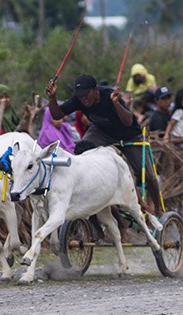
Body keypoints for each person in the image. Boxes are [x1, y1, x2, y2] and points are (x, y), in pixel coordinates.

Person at [45, 74, 160, 213]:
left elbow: (128, 122)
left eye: (86, 94)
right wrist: (52, 97)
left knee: (148, 175)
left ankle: (159, 208)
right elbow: (57, 115)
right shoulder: (79, 100)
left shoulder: (109, 95)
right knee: (81, 149)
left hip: (129, 134)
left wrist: (117, 104)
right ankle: (93, 191)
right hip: (102, 131)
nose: (84, 99)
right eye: (80, 96)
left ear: (95, 90)